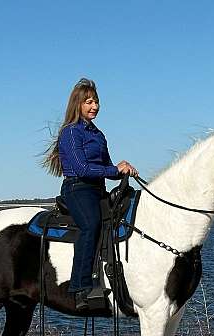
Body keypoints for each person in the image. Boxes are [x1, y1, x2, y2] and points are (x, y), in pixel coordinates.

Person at [42, 78, 138, 310]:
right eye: (88, 102)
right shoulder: (71, 133)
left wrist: (123, 170)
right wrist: (114, 170)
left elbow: (106, 166)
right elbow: (82, 168)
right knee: (91, 224)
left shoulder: (98, 134)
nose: (94, 106)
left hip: (97, 189)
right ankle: (80, 287)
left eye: (96, 102)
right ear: (78, 104)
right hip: (77, 188)